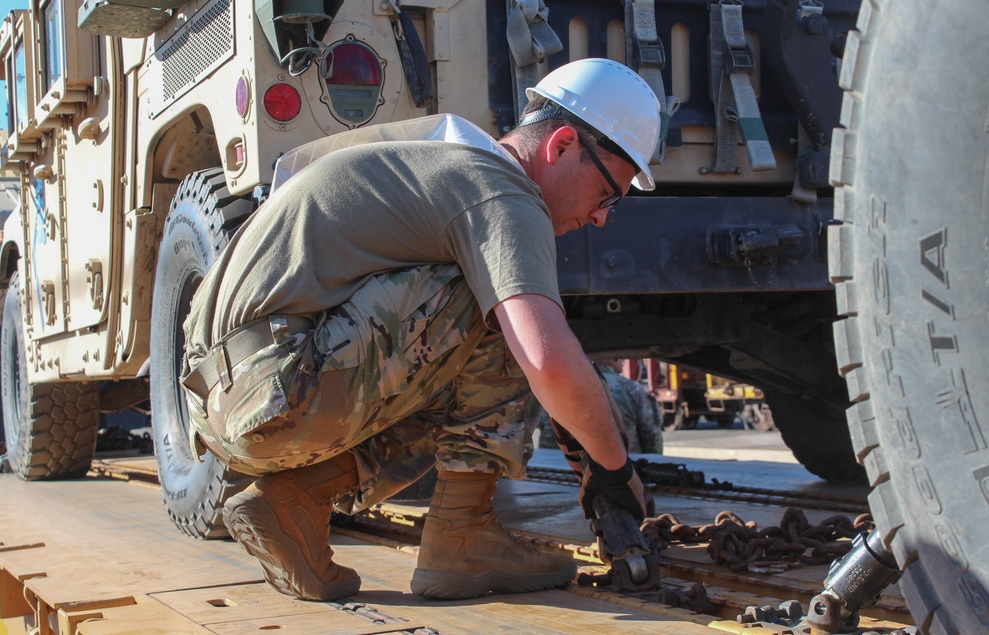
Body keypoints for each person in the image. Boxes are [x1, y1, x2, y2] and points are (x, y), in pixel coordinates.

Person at [179, 59, 661, 602]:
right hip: (276, 385)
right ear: (563, 144)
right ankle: (462, 536)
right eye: (607, 194)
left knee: (458, 360)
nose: (601, 217)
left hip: (224, 401)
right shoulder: (501, 190)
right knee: (503, 311)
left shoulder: (445, 165)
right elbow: (546, 358)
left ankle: (294, 501)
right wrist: (615, 472)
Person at [534, 359, 663, 454]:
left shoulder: (557, 390)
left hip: (566, 476)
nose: (624, 359)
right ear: (610, 356)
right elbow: (652, 441)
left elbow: (548, 437)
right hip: (622, 478)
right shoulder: (632, 390)